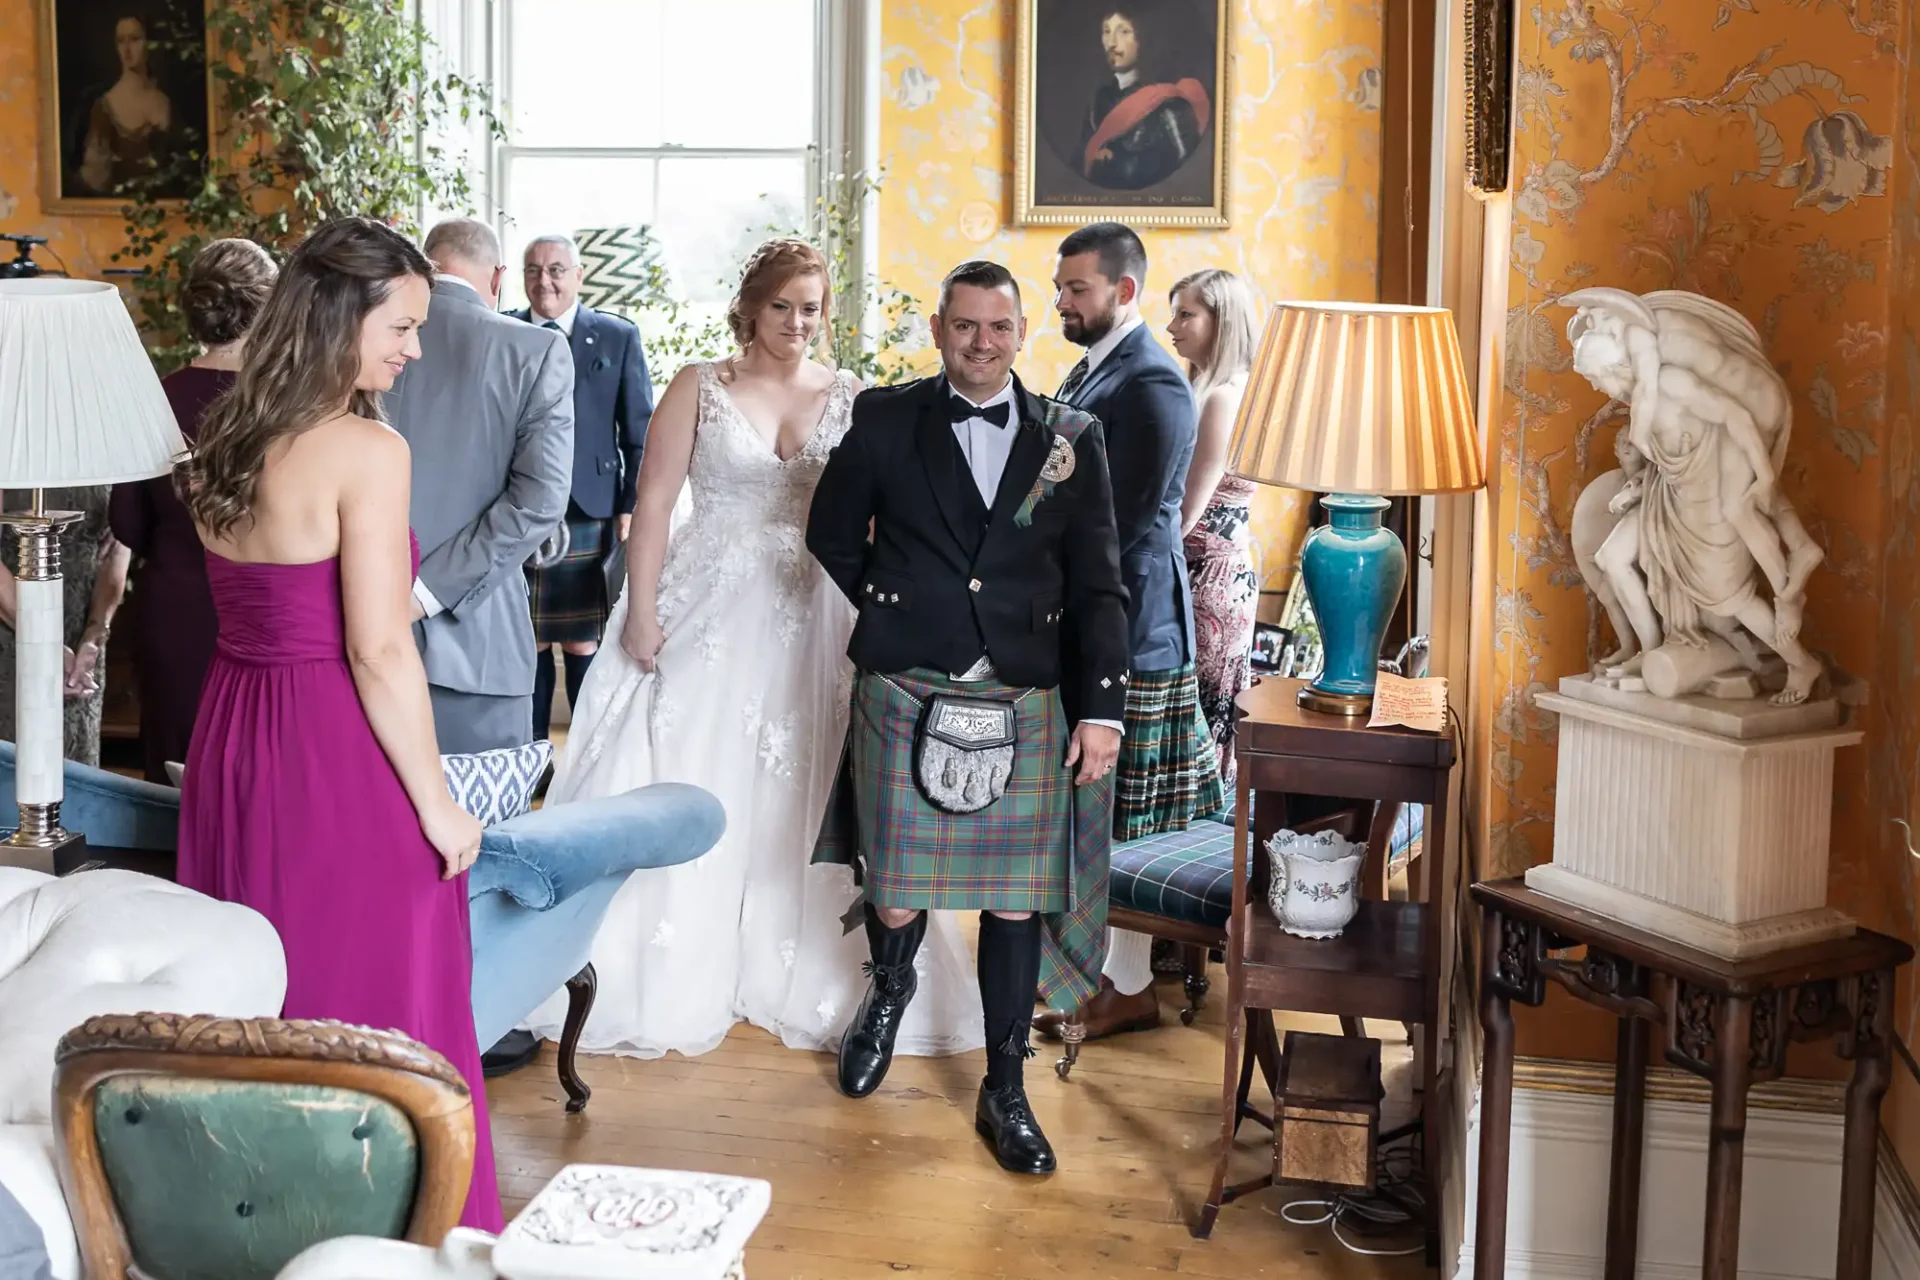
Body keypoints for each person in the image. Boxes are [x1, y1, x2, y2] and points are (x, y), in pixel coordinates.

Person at [529, 238, 984, 1061]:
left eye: (811, 308)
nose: (798, 323)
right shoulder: (700, 387)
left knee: (815, 774)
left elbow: (885, 517)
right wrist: (638, 611)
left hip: (821, 608)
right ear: (751, 307)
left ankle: (844, 970)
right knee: (694, 760)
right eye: (783, 307)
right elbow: (656, 503)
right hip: (709, 597)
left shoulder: (851, 395)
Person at [174, 216, 501, 1231]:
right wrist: (441, 803)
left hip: (234, 733)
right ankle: (397, 1231)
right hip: (335, 745)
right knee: (379, 995)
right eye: (399, 325)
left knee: (258, 991)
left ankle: (257, 1227)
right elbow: (378, 648)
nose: (412, 348)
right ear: (336, 318)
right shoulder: (366, 448)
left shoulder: (222, 437)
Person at [807, 259, 1129, 1174]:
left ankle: (1005, 1085)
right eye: (963, 327)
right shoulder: (885, 418)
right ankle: (890, 987)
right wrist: (896, 605)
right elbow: (831, 532)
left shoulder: (1073, 434)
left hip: (1026, 689)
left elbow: (1102, 583)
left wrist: (1100, 710)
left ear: (1020, 332)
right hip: (906, 681)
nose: (979, 345)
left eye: (997, 329)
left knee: (1015, 900)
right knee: (896, 883)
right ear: (940, 328)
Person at [1037, 221, 1221, 1045]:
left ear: (1124, 291)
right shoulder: (1096, 368)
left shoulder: (1151, 387)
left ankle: (1127, 988)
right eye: (1062, 286)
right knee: (1097, 810)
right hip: (1099, 617)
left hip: (1136, 627)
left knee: (1127, 819)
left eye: (1076, 289)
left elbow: (1124, 525)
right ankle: (1101, 976)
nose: (1061, 301)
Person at [385, 217, 573, 754]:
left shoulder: (361, 338)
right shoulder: (537, 351)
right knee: (482, 831)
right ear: (499, 279)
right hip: (477, 648)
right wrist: (425, 593)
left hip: (353, 633)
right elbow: (539, 500)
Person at [110, 237, 279, 782]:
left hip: (175, 610)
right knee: (255, 775)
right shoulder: (285, 406)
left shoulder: (152, 400)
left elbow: (127, 523)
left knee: (171, 782)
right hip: (264, 610)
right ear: (269, 306)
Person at [509, 234, 654, 740]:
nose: (543, 281)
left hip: (590, 510)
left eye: (555, 270)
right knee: (524, 640)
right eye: (533, 270)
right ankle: (532, 762)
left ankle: (588, 759)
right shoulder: (505, 330)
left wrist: (630, 507)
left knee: (582, 643)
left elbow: (640, 433)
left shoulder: (615, 336)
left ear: (578, 275)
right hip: (517, 508)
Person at [1167, 267, 1260, 792]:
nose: (1172, 325)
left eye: (1186, 313)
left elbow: (1186, 511)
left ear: (1221, 319)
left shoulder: (1222, 397)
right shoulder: (1213, 387)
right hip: (1214, 571)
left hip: (1210, 581)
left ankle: (1207, 827)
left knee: (1206, 709)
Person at [0, 495, 126, 768]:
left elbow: (116, 550)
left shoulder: (109, 452)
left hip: (81, 636)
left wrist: (95, 633)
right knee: (20, 769)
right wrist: (43, 642)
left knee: (77, 769)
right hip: (12, 626)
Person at [1079, 7, 1211, 190]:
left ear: (1143, 37)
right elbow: (1079, 166)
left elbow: (1187, 179)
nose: (1112, 43)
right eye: (1107, 31)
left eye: (1124, 31)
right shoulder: (1098, 102)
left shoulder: (1167, 104)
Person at [75, 15, 177, 195]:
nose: (127, 50)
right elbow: (95, 179)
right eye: (121, 41)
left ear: (149, 44)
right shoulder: (105, 106)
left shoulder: (165, 102)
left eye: (135, 39)